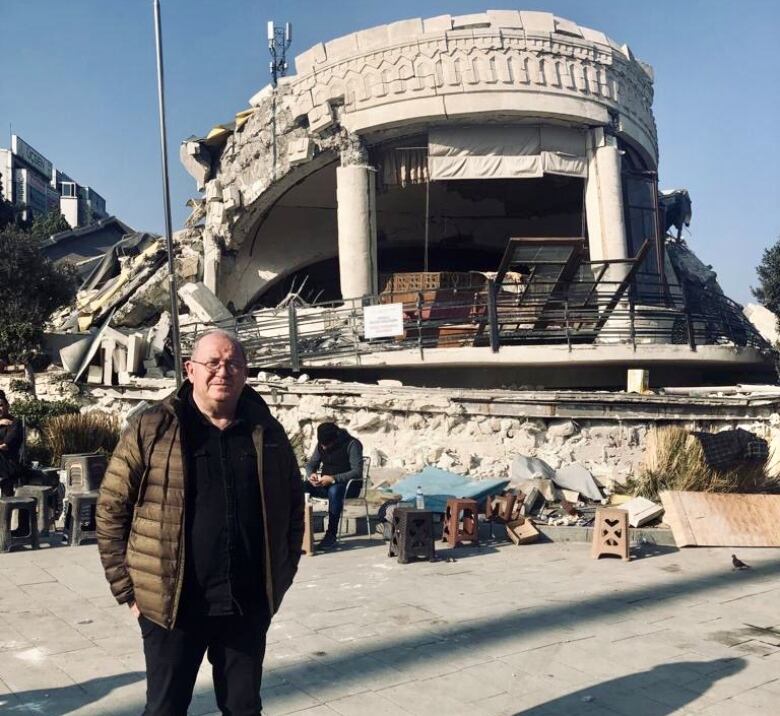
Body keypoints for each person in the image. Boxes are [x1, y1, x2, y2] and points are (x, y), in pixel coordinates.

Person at [96, 329, 304, 716]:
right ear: (191, 370)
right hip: (173, 606)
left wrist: (282, 575)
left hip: (246, 604)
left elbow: (293, 508)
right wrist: (129, 592)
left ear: (245, 373)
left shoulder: (267, 432)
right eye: (213, 363)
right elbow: (111, 510)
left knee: (244, 708)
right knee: (165, 709)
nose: (222, 371)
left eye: (233, 364)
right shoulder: (153, 428)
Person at [304, 422, 363, 549]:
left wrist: (333, 479)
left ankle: (331, 535)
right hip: (325, 484)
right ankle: (303, 532)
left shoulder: (352, 444)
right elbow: (310, 464)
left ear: (335, 439)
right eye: (322, 445)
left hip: (347, 487)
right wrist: (311, 475)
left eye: (327, 445)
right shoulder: (321, 444)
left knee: (335, 491)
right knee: (301, 487)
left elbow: (357, 471)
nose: (324, 448)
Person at [0, 391, 23, 497]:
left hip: (8, 464)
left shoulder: (15, 423)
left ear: (7, 405)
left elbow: (5, 446)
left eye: (1, 405)